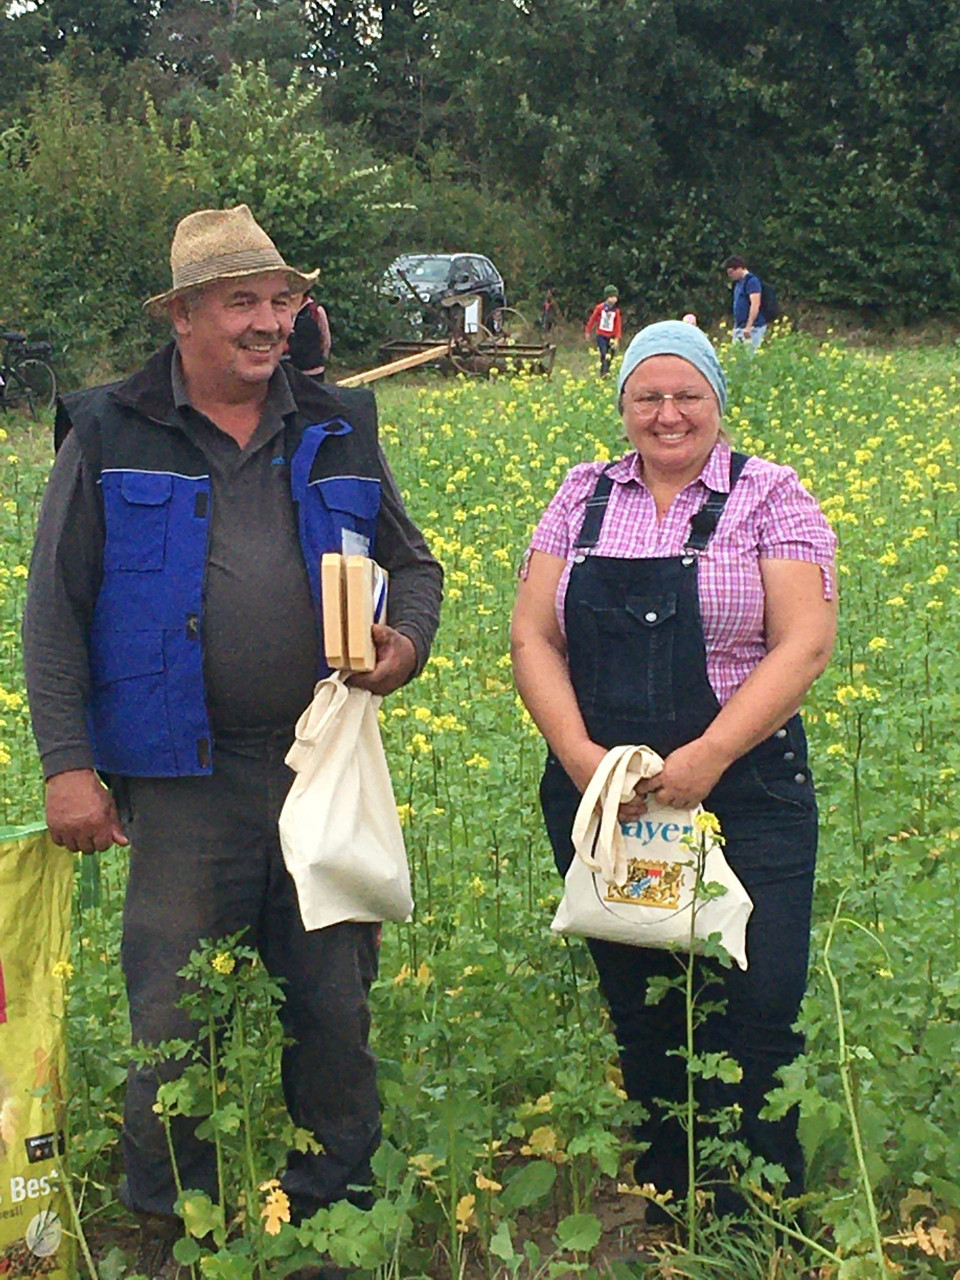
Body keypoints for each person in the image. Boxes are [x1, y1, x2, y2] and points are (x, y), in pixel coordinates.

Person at [23, 205, 443, 1276]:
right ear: (183, 315)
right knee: (170, 1011)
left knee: (332, 1002)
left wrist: (405, 647)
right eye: (242, 302)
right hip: (179, 779)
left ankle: (331, 1219)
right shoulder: (111, 429)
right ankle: (173, 1227)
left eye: (282, 300)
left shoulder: (340, 419)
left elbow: (417, 567)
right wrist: (69, 763)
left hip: (318, 765)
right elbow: (54, 609)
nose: (269, 323)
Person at [511, 320, 836, 1220]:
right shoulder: (582, 494)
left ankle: (759, 1212)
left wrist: (709, 756)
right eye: (646, 396)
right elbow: (532, 633)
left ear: (717, 404)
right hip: (609, 799)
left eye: (686, 394)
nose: (667, 414)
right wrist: (580, 759)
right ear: (621, 407)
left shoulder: (769, 494)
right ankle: (671, 1200)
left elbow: (803, 641)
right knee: (645, 1002)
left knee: (757, 1003)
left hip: (746, 788)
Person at [723, 255, 766, 348]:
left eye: (731, 272)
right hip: (739, 326)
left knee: (749, 355)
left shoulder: (752, 281)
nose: (731, 276)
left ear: (739, 268)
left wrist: (749, 326)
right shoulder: (738, 283)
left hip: (753, 327)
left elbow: (755, 304)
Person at [288, 291, 332, 379]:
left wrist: (322, 358)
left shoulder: (316, 311)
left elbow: (326, 338)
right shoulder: (287, 311)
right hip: (293, 371)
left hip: (314, 370)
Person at [584, 285, 622, 376]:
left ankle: (608, 371)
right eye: (611, 297)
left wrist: (617, 339)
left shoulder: (616, 311)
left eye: (615, 297)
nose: (613, 300)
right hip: (601, 335)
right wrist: (588, 331)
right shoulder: (600, 308)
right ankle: (603, 373)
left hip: (611, 336)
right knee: (604, 353)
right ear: (607, 297)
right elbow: (592, 320)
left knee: (611, 355)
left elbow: (618, 326)